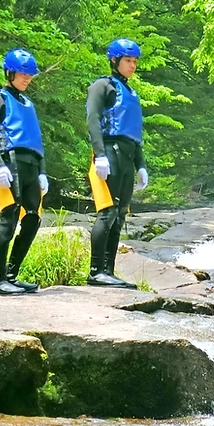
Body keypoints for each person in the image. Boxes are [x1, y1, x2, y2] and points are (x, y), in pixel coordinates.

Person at [0, 48, 49, 295]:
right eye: (22, 74)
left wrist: (42, 171)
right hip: (11, 163)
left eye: (30, 75)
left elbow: (37, 141)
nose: (27, 78)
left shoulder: (29, 104)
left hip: (31, 166)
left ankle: (11, 275)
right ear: (10, 73)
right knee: (9, 220)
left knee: (32, 220)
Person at [85, 38, 148, 288]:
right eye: (128, 60)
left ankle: (108, 271)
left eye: (134, 61)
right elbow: (92, 120)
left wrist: (141, 165)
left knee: (120, 215)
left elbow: (134, 134)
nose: (132, 65)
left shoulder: (132, 93)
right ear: (115, 60)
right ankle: (95, 271)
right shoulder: (103, 86)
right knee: (108, 212)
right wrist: (99, 154)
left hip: (128, 156)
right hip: (109, 153)